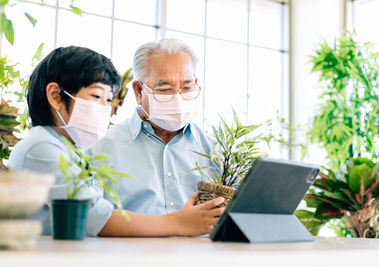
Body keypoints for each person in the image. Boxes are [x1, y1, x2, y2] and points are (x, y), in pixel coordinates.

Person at [8, 46, 224, 237]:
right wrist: (179, 223)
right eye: (95, 97)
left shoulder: (68, 150)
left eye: (108, 100)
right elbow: (94, 215)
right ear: (56, 96)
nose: (104, 109)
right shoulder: (41, 148)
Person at [90, 38, 222, 236]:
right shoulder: (100, 148)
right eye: (165, 89)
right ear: (138, 90)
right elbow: (90, 219)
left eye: (186, 88)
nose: (177, 99)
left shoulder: (216, 151)